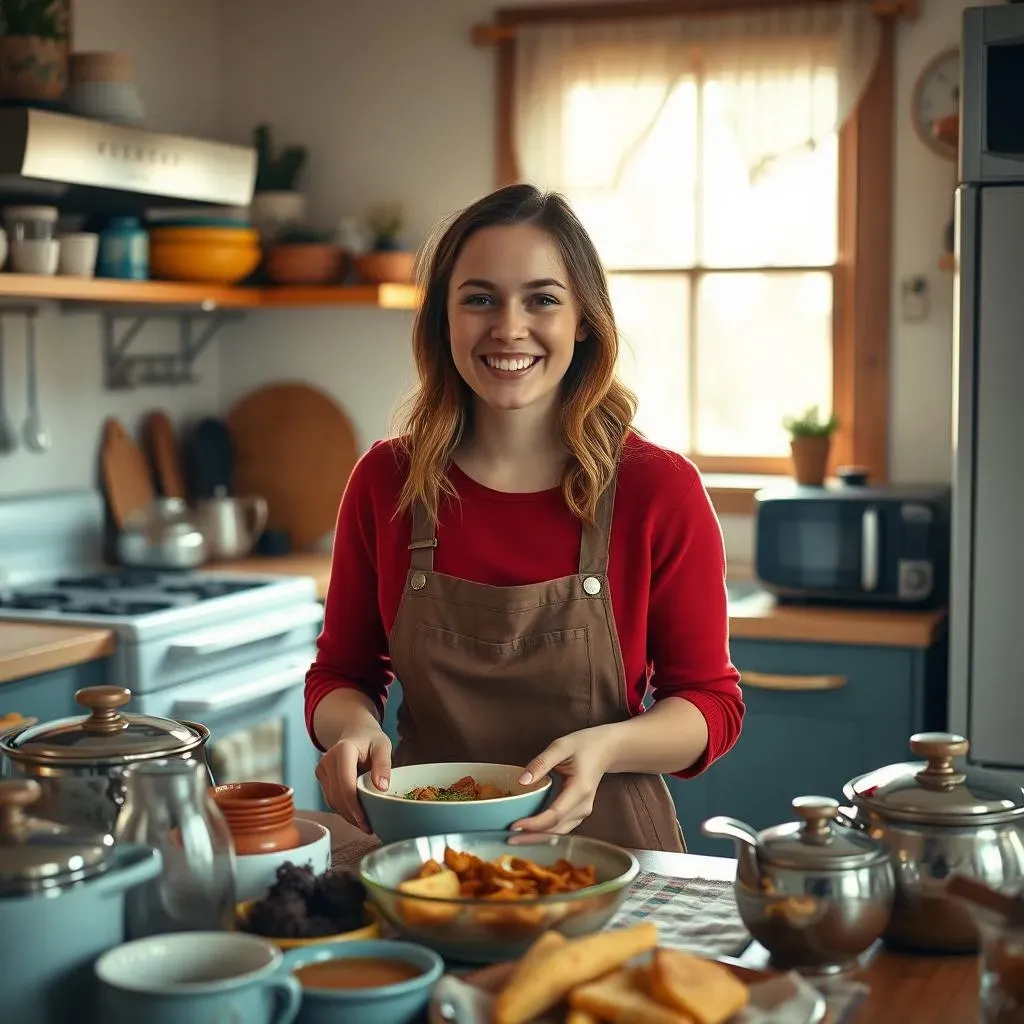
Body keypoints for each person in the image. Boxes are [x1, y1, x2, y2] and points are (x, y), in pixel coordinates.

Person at [305, 183, 743, 853]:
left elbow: (710, 703)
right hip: (430, 852)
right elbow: (340, 675)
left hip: (613, 851)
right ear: (442, 321)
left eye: (542, 299)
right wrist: (354, 730)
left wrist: (608, 747)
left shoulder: (660, 488)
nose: (509, 328)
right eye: (479, 298)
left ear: (583, 320)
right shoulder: (386, 481)